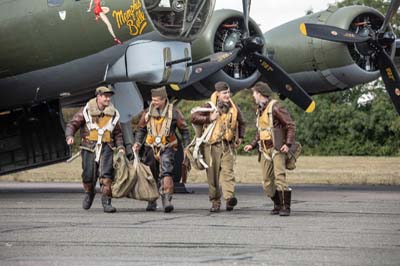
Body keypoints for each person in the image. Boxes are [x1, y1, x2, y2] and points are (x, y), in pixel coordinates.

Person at [65, 86, 125, 213]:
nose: (108, 98)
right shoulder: (86, 111)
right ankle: (89, 193)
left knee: (106, 175)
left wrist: (120, 147)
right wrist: (69, 136)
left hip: (106, 147)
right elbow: (73, 124)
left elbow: (118, 133)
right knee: (88, 175)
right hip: (89, 147)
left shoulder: (113, 113)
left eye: (109, 96)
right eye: (105, 96)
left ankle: (106, 201)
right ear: (98, 96)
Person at [133, 86, 190, 213]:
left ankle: (167, 200)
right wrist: (137, 142)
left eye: (157, 100)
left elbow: (184, 131)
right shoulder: (147, 113)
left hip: (167, 147)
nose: (154, 102)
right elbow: (141, 129)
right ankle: (151, 200)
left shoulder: (174, 112)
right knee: (151, 174)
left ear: (164, 99)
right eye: (153, 100)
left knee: (166, 172)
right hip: (150, 148)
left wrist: (187, 146)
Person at [190, 81, 245, 212]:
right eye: (224, 93)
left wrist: (240, 137)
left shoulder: (234, 107)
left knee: (228, 173)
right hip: (211, 147)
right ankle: (215, 201)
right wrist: (210, 118)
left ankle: (229, 198)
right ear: (218, 94)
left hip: (227, 146)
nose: (227, 95)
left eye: (228, 92)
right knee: (212, 176)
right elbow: (193, 117)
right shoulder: (209, 106)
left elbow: (242, 122)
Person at [243, 81, 296, 216]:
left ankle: (285, 207)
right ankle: (277, 204)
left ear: (260, 94)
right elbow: (260, 130)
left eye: (254, 93)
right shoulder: (259, 109)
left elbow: (290, 125)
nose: (253, 96)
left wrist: (287, 144)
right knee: (267, 181)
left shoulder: (276, 107)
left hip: (277, 148)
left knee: (280, 177)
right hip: (264, 149)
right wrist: (253, 144)